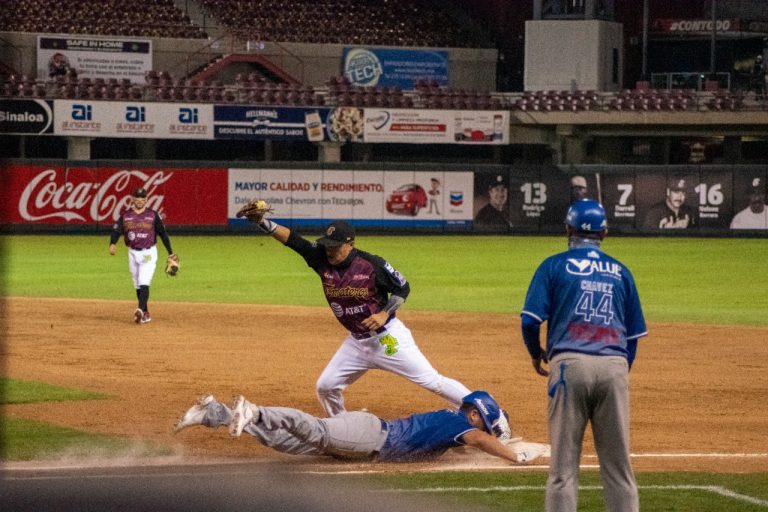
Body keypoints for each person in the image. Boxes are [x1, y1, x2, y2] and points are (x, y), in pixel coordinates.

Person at [249, 216, 476, 419]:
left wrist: (384, 313)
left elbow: (402, 288)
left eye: (336, 247)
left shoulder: (371, 264)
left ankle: (489, 414)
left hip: (387, 339)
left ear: (350, 244)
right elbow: (294, 241)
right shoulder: (321, 260)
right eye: (327, 246)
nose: (330, 251)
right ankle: (342, 427)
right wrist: (263, 222)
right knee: (326, 386)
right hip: (356, 343)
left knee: (431, 381)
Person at [519, 199, 647, 512]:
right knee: (619, 470)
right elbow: (633, 337)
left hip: (569, 367)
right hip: (614, 365)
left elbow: (529, 320)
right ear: (605, 232)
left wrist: (537, 354)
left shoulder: (553, 265)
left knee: (562, 470)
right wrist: (618, 369)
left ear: (567, 228)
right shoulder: (621, 272)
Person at [174, 390, 549, 464]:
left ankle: (213, 413)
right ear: (475, 416)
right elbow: (480, 440)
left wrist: (508, 441)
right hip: (372, 436)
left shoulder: (451, 425)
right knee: (316, 429)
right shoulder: (459, 424)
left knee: (287, 443)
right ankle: (254, 411)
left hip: (367, 437)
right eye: (483, 421)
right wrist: (514, 455)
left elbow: (472, 444)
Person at [109, 187, 176, 324]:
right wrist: (113, 243)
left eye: (142, 198)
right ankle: (145, 313)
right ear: (132, 199)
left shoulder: (152, 215)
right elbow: (117, 230)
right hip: (132, 252)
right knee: (137, 284)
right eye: (137, 198)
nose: (140, 200)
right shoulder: (126, 215)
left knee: (144, 281)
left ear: (146, 199)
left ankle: (139, 309)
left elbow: (163, 234)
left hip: (148, 253)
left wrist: (170, 252)